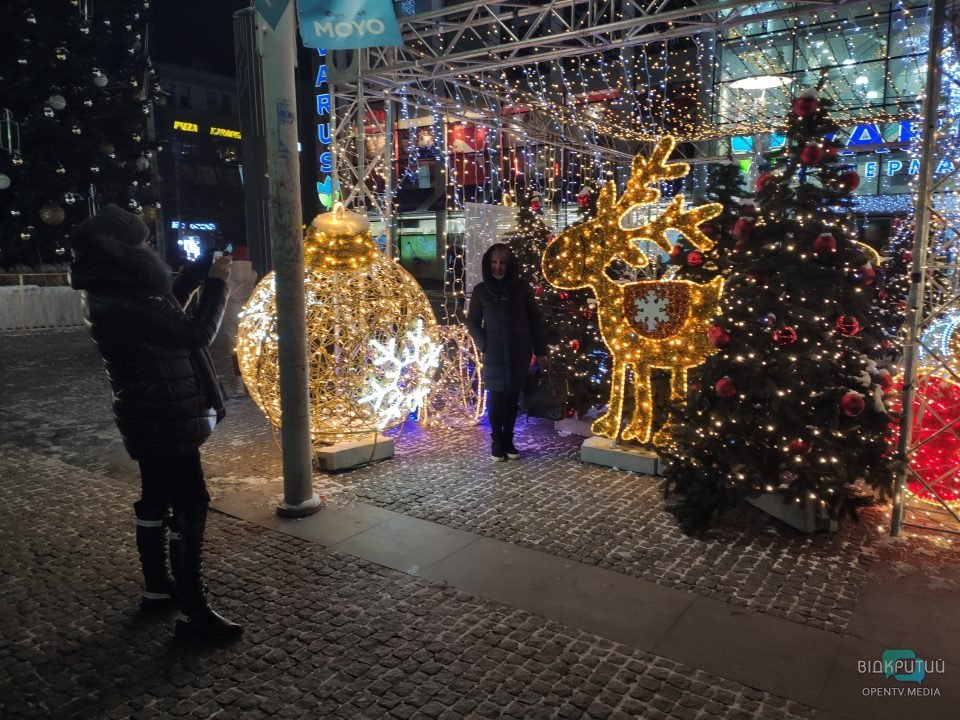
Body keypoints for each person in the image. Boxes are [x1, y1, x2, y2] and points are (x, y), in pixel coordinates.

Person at [69, 204, 242, 642]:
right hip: (165, 411)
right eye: (141, 241)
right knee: (191, 501)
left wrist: (197, 273)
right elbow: (194, 332)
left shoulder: (109, 285)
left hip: (144, 410)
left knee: (155, 496)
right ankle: (193, 612)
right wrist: (219, 285)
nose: (147, 245)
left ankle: (157, 588)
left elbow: (165, 312)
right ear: (124, 248)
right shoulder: (126, 296)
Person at [466, 243, 549, 461]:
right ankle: (497, 440)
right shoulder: (481, 291)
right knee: (497, 398)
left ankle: (509, 440)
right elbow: (473, 321)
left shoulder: (521, 288)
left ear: (509, 264)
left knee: (513, 398)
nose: (498, 267)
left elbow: (534, 320)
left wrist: (540, 349)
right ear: (488, 264)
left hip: (519, 351)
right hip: (494, 353)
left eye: (502, 262)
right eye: (494, 262)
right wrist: (485, 343)